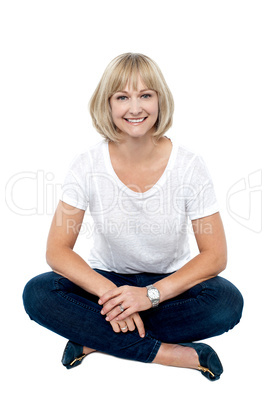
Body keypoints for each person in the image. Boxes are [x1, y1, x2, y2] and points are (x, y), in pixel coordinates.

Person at [23, 53, 243, 381]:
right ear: (108, 104)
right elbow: (57, 250)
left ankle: (95, 339)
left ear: (159, 100)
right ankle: (171, 353)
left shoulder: (189, 166)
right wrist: (111, 295)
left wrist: (148, 296)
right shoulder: (87, 164)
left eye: (145, 95)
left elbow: (215, 255)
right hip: (106, 283)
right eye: (122, 97)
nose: (135, 108)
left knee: (226, 302)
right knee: (38, 293)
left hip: (169, 287)